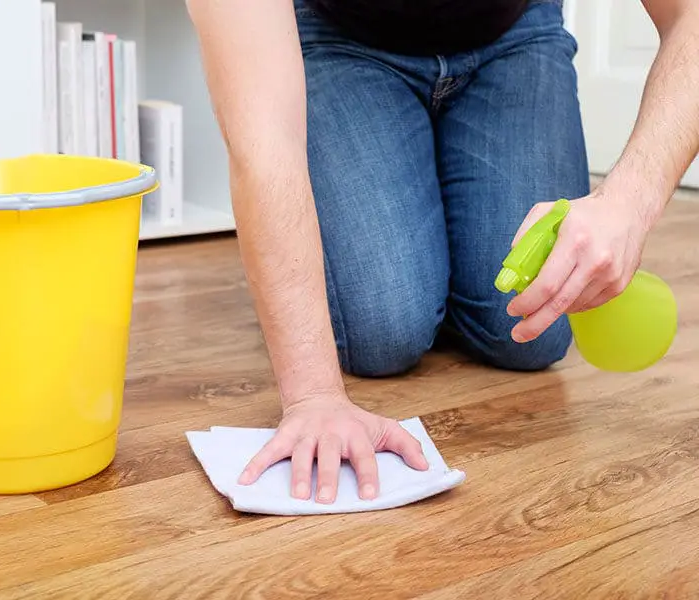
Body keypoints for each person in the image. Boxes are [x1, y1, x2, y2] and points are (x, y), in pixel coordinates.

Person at [186, 0, 699, 504]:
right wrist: (312, 396)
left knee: (531, 333)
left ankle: (438, 228)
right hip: (341, 38)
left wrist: (629, 200)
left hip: (511, 32)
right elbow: (264, 143)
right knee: (385, 334)